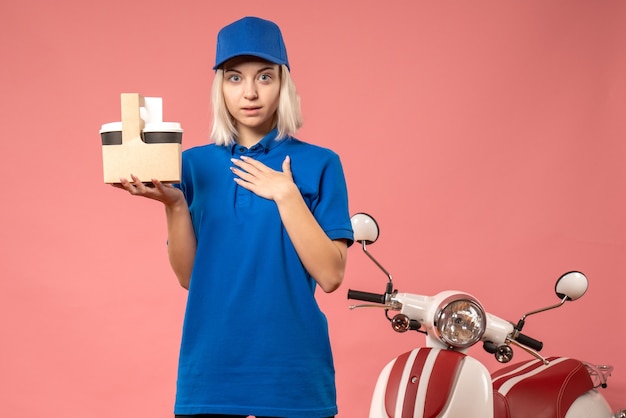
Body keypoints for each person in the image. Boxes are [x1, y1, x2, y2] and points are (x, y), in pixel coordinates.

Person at [116, 16, 354, 418]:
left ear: (283, 83)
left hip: (292, 373)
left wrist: (286, 195)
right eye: (234, 78)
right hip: (210, 371)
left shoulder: (320, 163)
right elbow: (191, 278)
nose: (249, 93)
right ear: (219, 87)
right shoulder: (191, 166)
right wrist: (174, 205)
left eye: (264, 77)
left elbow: (331, 276)